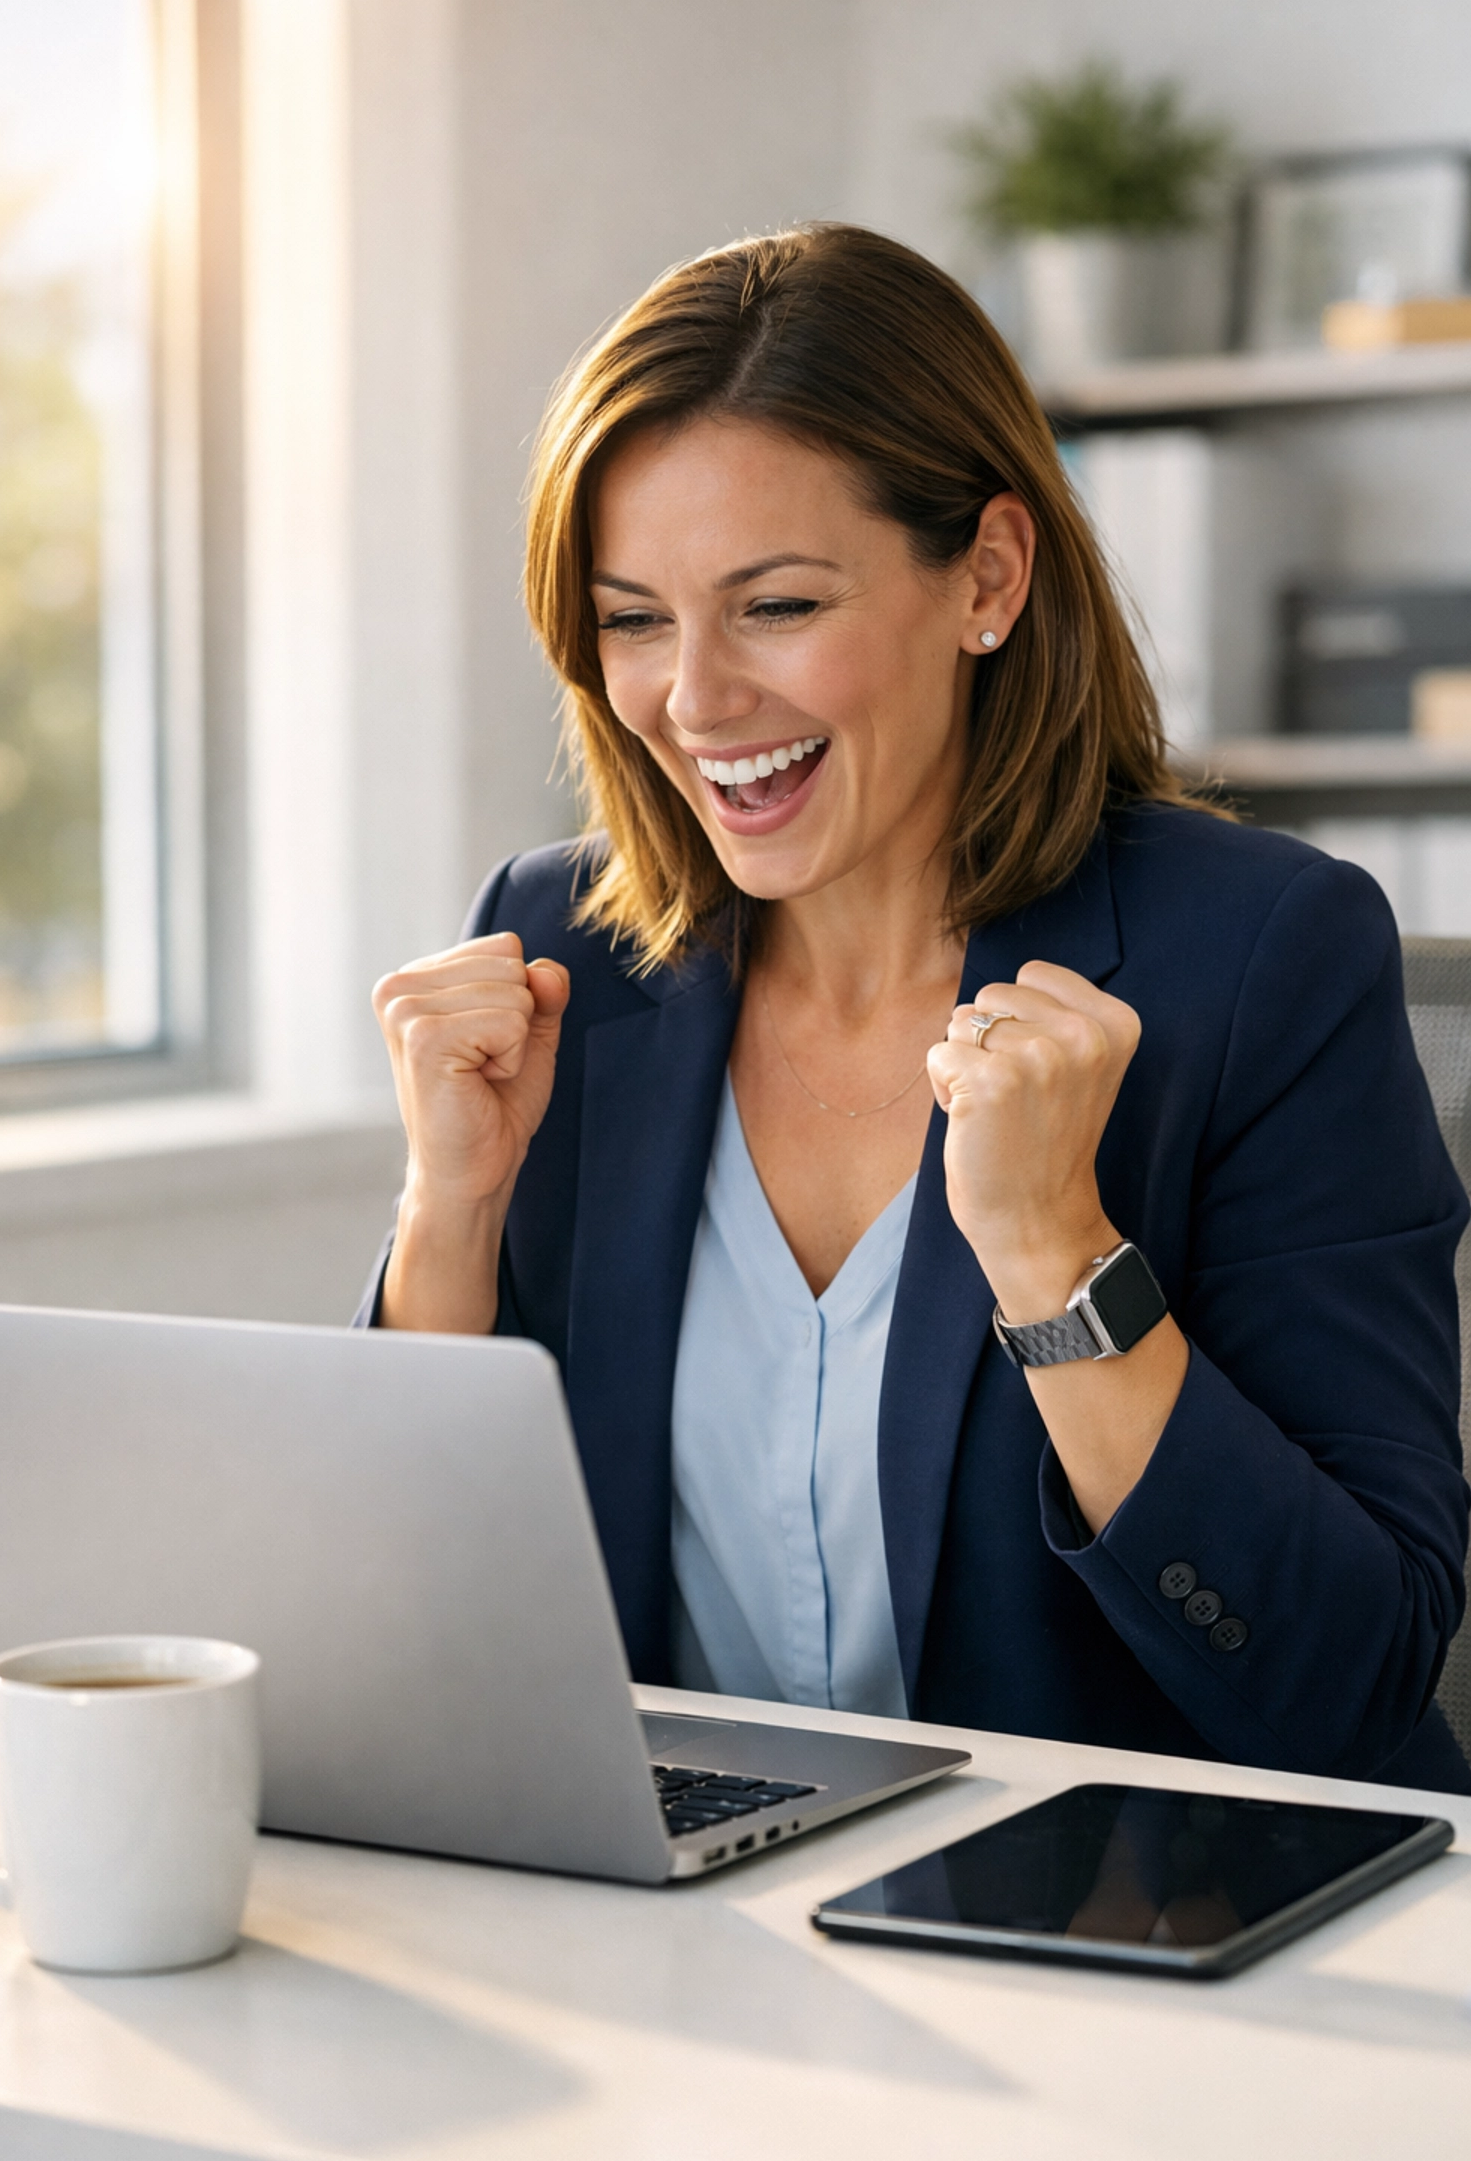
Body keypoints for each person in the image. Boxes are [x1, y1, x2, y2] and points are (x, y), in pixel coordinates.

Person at [360, 223, 1471, 1792]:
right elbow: (403, 1639)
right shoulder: (554, 957)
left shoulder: (1265, 957)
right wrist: (449, 1216)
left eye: (779, 606)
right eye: (631, 620)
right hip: (699, 1939)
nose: (693, 697)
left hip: (1148, 1941)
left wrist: (1055, 1258)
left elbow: (1345, 1681)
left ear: (989, 580)